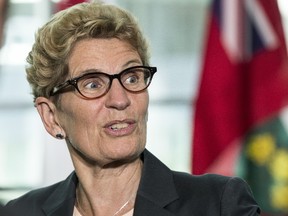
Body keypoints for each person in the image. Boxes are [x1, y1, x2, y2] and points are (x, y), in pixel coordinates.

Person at [4, 1, 261, 215]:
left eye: (131, 78)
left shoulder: (217, 204)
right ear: (51, 117)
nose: (121, 99)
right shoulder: (21, 212)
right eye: (93, 84)